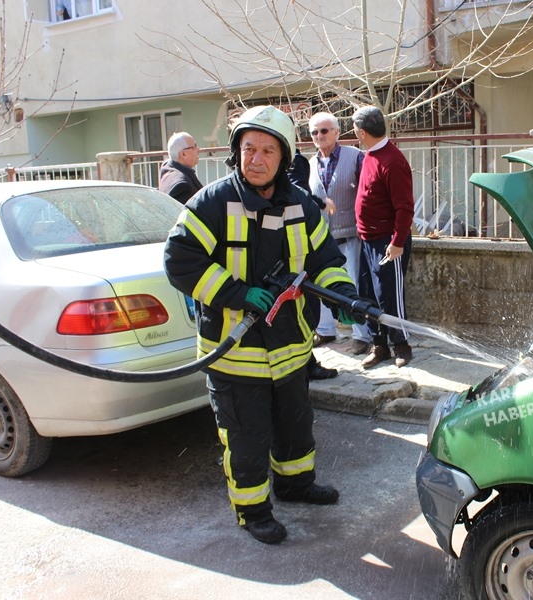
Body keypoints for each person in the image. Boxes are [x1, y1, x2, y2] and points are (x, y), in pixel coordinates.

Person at [163, 106, 358, 545]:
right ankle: (252, 511)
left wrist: (344, 297)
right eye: (248, 148)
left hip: (290, 348)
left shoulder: (302, 205)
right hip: (234, 355)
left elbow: (325, 261)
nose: (256, 158)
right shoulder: (212, 203)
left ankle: (296, 485)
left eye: (267, 149)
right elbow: (179, 260)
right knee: (246, 438)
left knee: (296, 425)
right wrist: (237, 293)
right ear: (237, 153)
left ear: (284, 157)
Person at [351, 105, 414, 368]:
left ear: (363, 132)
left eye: (355, 129)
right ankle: (379, 346)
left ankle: (401, 346)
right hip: (367, 239)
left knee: (390, 295)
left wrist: (397, 242)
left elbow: (405, 207)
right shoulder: (369, 155)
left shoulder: (393, 160)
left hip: (388, 241)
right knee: (368, 294)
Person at [307, 112, 372, 355]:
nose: (319, 136)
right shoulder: (310, 164)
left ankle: (361, 335)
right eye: (314, 132)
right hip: (321, 239)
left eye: (324, 131)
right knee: (320, 285)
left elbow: (369, 190)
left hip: (351, 234)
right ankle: (325, 330)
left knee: (353, 285)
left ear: (336, 132)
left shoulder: (354, 157)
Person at [287, 147, 339, 381]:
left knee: (307, 312)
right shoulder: (296, 160)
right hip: (292, 253)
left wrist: (342, 294)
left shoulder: (293, 159)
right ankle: (306, 364)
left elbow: (327, 259)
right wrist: (318, 201)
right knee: (305, 312)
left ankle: (305, 362)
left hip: (299, 251)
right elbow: (296, 189)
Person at [158, 132, 203, 204]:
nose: (198, 149)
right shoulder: (181, 186)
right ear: (183, 154)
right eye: (194, 146)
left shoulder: (167, 167)